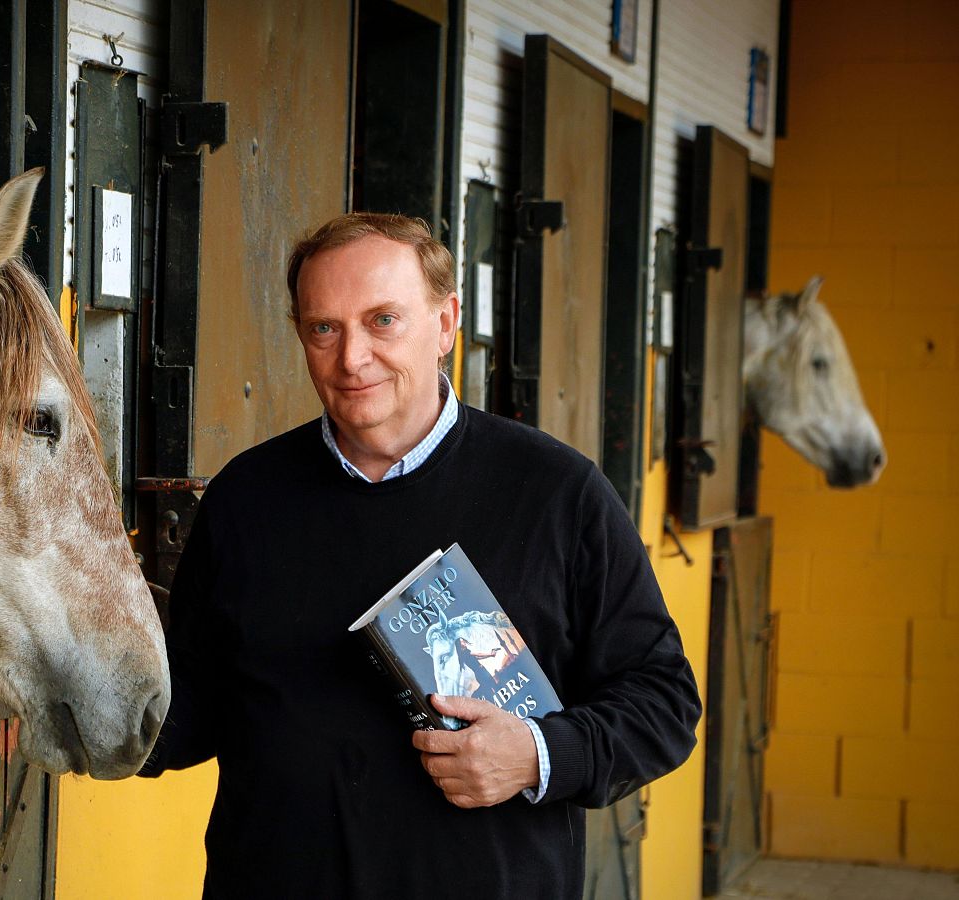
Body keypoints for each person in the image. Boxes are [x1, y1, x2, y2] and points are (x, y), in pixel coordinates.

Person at [139, 213, 701, 899]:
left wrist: (537, 754)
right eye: (324, 328)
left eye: (382, 321)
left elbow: (664, 700)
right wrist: (89, 700)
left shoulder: (557, 493)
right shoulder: (243, 499)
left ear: (445, 323)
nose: (351, 358)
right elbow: (196, 707)